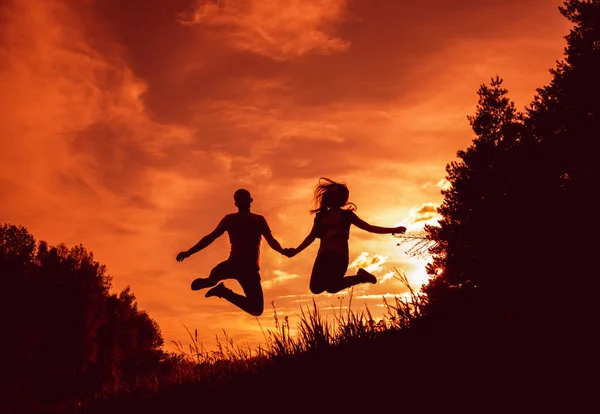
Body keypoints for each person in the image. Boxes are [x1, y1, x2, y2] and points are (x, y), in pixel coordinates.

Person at [284, 177, 406, 294]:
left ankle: (361, 277)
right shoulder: (320, 216)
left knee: (332, 287)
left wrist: (393, 229)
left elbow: (369, 228)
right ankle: (360, 277)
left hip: (339, 255)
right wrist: (295, 251)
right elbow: (311, 237)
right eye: (330, 193)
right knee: (315, 288)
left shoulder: (347, 215)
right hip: (323, 255)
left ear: (341, 198)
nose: (331, 195)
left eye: (335, 193)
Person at [176, 189, 287, 316]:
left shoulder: (258, 220)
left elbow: (271, 241)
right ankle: (212, 281)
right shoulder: (230, 219)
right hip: (235, 264)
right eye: (238, 200)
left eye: (243, 199)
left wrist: (283, 251)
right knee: (217, 275)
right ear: (236, 203)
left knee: (256, 309)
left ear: (250, 201)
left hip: (249, 269)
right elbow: (210, 237)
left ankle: (221, 289)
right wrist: (189, 252)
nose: (241, 203)